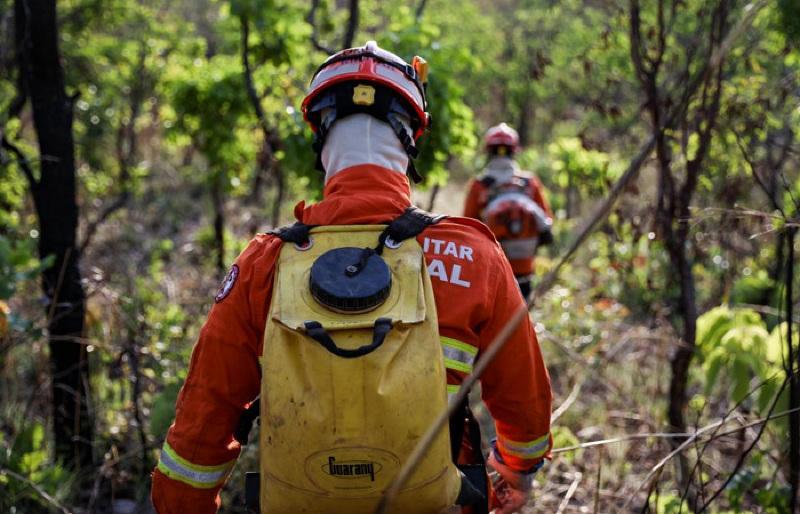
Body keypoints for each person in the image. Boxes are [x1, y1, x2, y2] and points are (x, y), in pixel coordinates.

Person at [151, 42, 552, 514]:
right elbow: (525, 409)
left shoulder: (265, 263)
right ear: (410, 138)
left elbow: (202, 421)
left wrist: (181, 503)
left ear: (320, 138)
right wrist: (514, 472)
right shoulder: (472, 255)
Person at [463, 123, 553, 299]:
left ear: (488, 150)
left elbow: (468, 227)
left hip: (492, 266)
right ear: (515, 150)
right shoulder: (529, 183)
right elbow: (547, 222)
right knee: (521, 315)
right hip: (525, 267)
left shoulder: (479, 185)